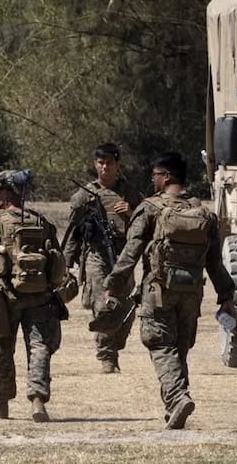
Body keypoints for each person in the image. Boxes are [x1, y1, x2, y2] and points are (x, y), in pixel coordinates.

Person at [102, 152, 236, 429]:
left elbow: (131, 252)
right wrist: (225, 296)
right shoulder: (204, 213)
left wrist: (113, 286)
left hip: (159, 289)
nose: (152, 180)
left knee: (161, 346)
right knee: (179, 349)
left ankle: (177, 398)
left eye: (155, 175)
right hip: (192, 294)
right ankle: (175, 405)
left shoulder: (150, 208)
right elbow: (215, 262)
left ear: (167, 178)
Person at [0, 170, 64, 422]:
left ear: (8, 192)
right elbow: (58, 261)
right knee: (39, 347)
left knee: (3, 349)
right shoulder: (42, 222)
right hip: (40, 297)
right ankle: (38, 400)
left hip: (3, 298)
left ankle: (0, 400)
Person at [63, 143, 142, 373]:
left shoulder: (131, 194)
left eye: (109, 162)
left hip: (123, 257)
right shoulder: (84, 196)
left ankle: (114, 345)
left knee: (127, 307)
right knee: (103, 304)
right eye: (101, 162)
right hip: (96, 256)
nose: (105, 167)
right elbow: (73, 233)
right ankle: (107, 356)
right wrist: (66, 264)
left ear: (117, 164)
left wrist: (130, 213)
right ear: (95, 164)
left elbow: (147, 226)